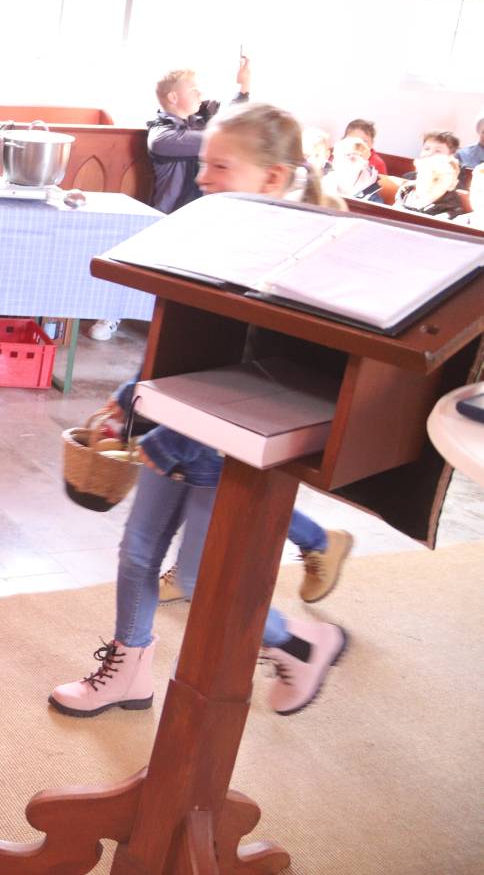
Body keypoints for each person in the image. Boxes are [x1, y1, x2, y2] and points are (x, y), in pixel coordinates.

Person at [50, 104, 351, 720]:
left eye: (220, 165)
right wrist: (131, 401)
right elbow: (181, 334)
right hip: (175, 426)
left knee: (198, 576)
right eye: (204, 163)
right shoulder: (216, 236)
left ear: (273, 178)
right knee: (137, 552)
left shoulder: (303, 257)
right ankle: (128, 670)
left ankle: (300, 641)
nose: (203, 176)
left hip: (232, 439)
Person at [90, 55, 251, 342]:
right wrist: (228, 135)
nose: (201, 96)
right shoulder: (162, 132)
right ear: (175, 96)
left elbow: (233, 126)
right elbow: (214, 140)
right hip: (169, 214)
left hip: (205, 212)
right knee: (139, 268)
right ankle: (112, 314)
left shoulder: (203, 123)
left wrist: (242, 91)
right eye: (195, 91)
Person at [395, 140, 467, 220]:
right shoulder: (403, 194)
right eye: (425, 174)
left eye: (439, 178)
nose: (430, 181)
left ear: (451, 185)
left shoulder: (451, 214)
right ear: (417, 174)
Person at [324, 135, 382, 202]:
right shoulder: (327, 181)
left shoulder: (371, 195)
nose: (347, 162)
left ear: (364, 162)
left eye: (354, 157)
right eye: (346, 155)